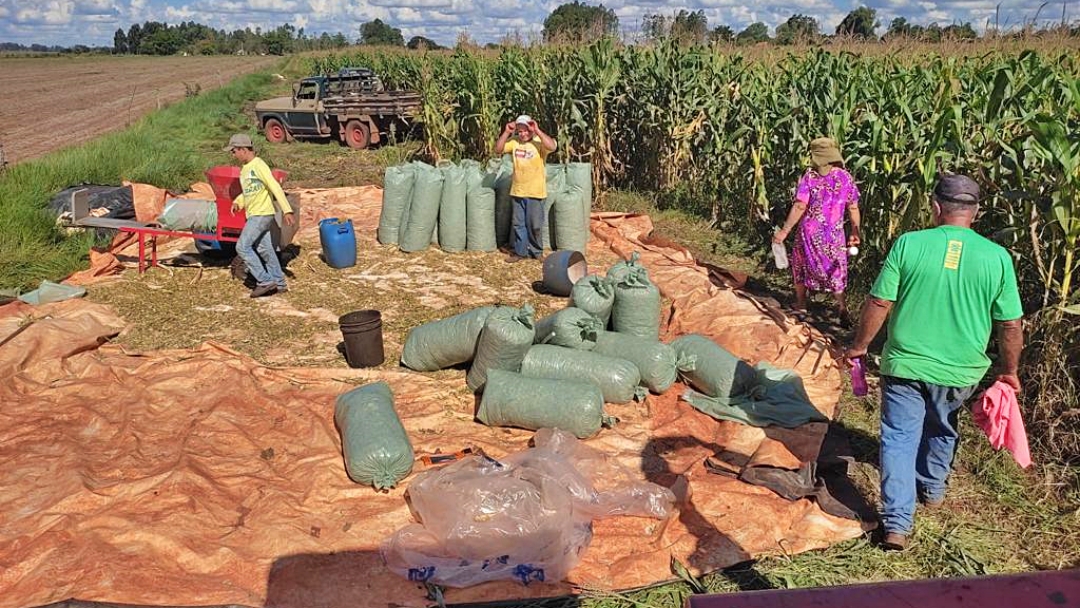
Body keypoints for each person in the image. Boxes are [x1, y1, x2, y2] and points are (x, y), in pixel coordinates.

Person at [844, 174, 1024, 552]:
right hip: (962, 370)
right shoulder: (997, 258)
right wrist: (1009, 370)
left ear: (936, 207)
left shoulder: (910, 244)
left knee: (899, 437)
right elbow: (1009, 324)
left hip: (907, 363)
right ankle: (934, 489)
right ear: (974, 212)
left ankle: (896, 524)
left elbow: (879, 302)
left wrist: (860, 345)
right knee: (943, 423)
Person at [773, 137, 862, 324]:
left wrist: (785, 230)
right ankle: (842, 307)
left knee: (801, 265)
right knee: (836, 271)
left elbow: (799, 206)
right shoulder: (845, 177)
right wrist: (855, 231)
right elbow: (853, 208)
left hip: (810, 234)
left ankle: (801, 304)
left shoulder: (810, 177)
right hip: (835, 235)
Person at [225, 134, 296, 298]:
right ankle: (279, 283)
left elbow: (274, 186)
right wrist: (238, 202)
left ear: (243, 149)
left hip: (261, 213)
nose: (232, 154)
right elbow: (249, 192)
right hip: (255, 213)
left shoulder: (259, 165)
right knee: (265, 249)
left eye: (234, 151)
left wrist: (287, 210)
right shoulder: (245, 170)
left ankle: (264, 281)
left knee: (242, 247)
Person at [494, 114, 557, 262]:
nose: (523, 134)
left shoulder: (539, 143)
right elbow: (498, 149)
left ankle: (537, 251)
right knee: (518, 224)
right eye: (520, 131)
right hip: (518, 191)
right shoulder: (514, 142)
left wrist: (538, 131)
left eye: (526, 130)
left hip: (536, 192)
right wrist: (507, 132)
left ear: (531, 129)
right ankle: (519, 252)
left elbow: (553, 147)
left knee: (535, 225)